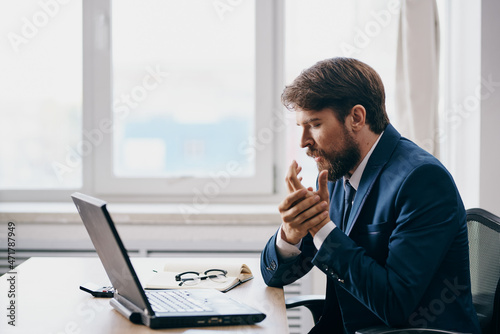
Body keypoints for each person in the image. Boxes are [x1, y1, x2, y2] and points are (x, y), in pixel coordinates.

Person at [260, 57, 481, 333]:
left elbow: (394, 303)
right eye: (301, 127)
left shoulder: (422, 180)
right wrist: (290, 235)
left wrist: (321, 228)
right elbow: (275, 276)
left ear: (356, 118)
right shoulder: (339, 172)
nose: (304, 141)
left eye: (314, 125)